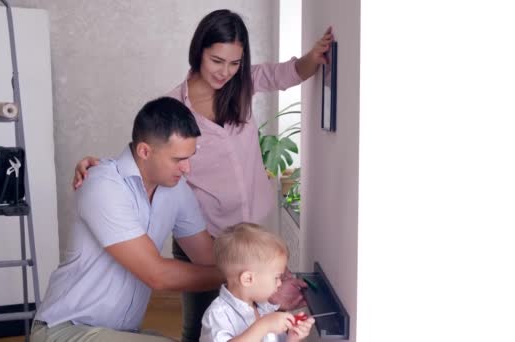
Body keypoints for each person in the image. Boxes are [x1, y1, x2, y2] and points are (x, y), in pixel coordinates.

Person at [73, 9, 333, 341]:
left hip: (251, 226)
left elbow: (289, 73)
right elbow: (149, 152)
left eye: (234, 62)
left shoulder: (242, 85)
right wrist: (95, 166)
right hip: (204, 230)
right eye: (216, 60)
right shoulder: (173, 106)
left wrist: (314, 56)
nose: (225, 72)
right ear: (199, 52)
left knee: (261, 313)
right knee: (203, 324)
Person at [31, 97, 224, 342]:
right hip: (63, 330)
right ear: (145, 151)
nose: (187, 168)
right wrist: (238, 275)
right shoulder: (102, 185)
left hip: (121, 334)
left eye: (190, 157)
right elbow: (157, 274)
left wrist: (265, 272)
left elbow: (208, 257)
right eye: (178, 159)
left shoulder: (177, 190)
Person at [200, 223, 314, 342]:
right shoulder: (217, 315)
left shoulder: (264, 308)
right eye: (276, 277)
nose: (280, 283)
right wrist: (263, 326)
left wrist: (292, 338)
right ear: (248, 279)